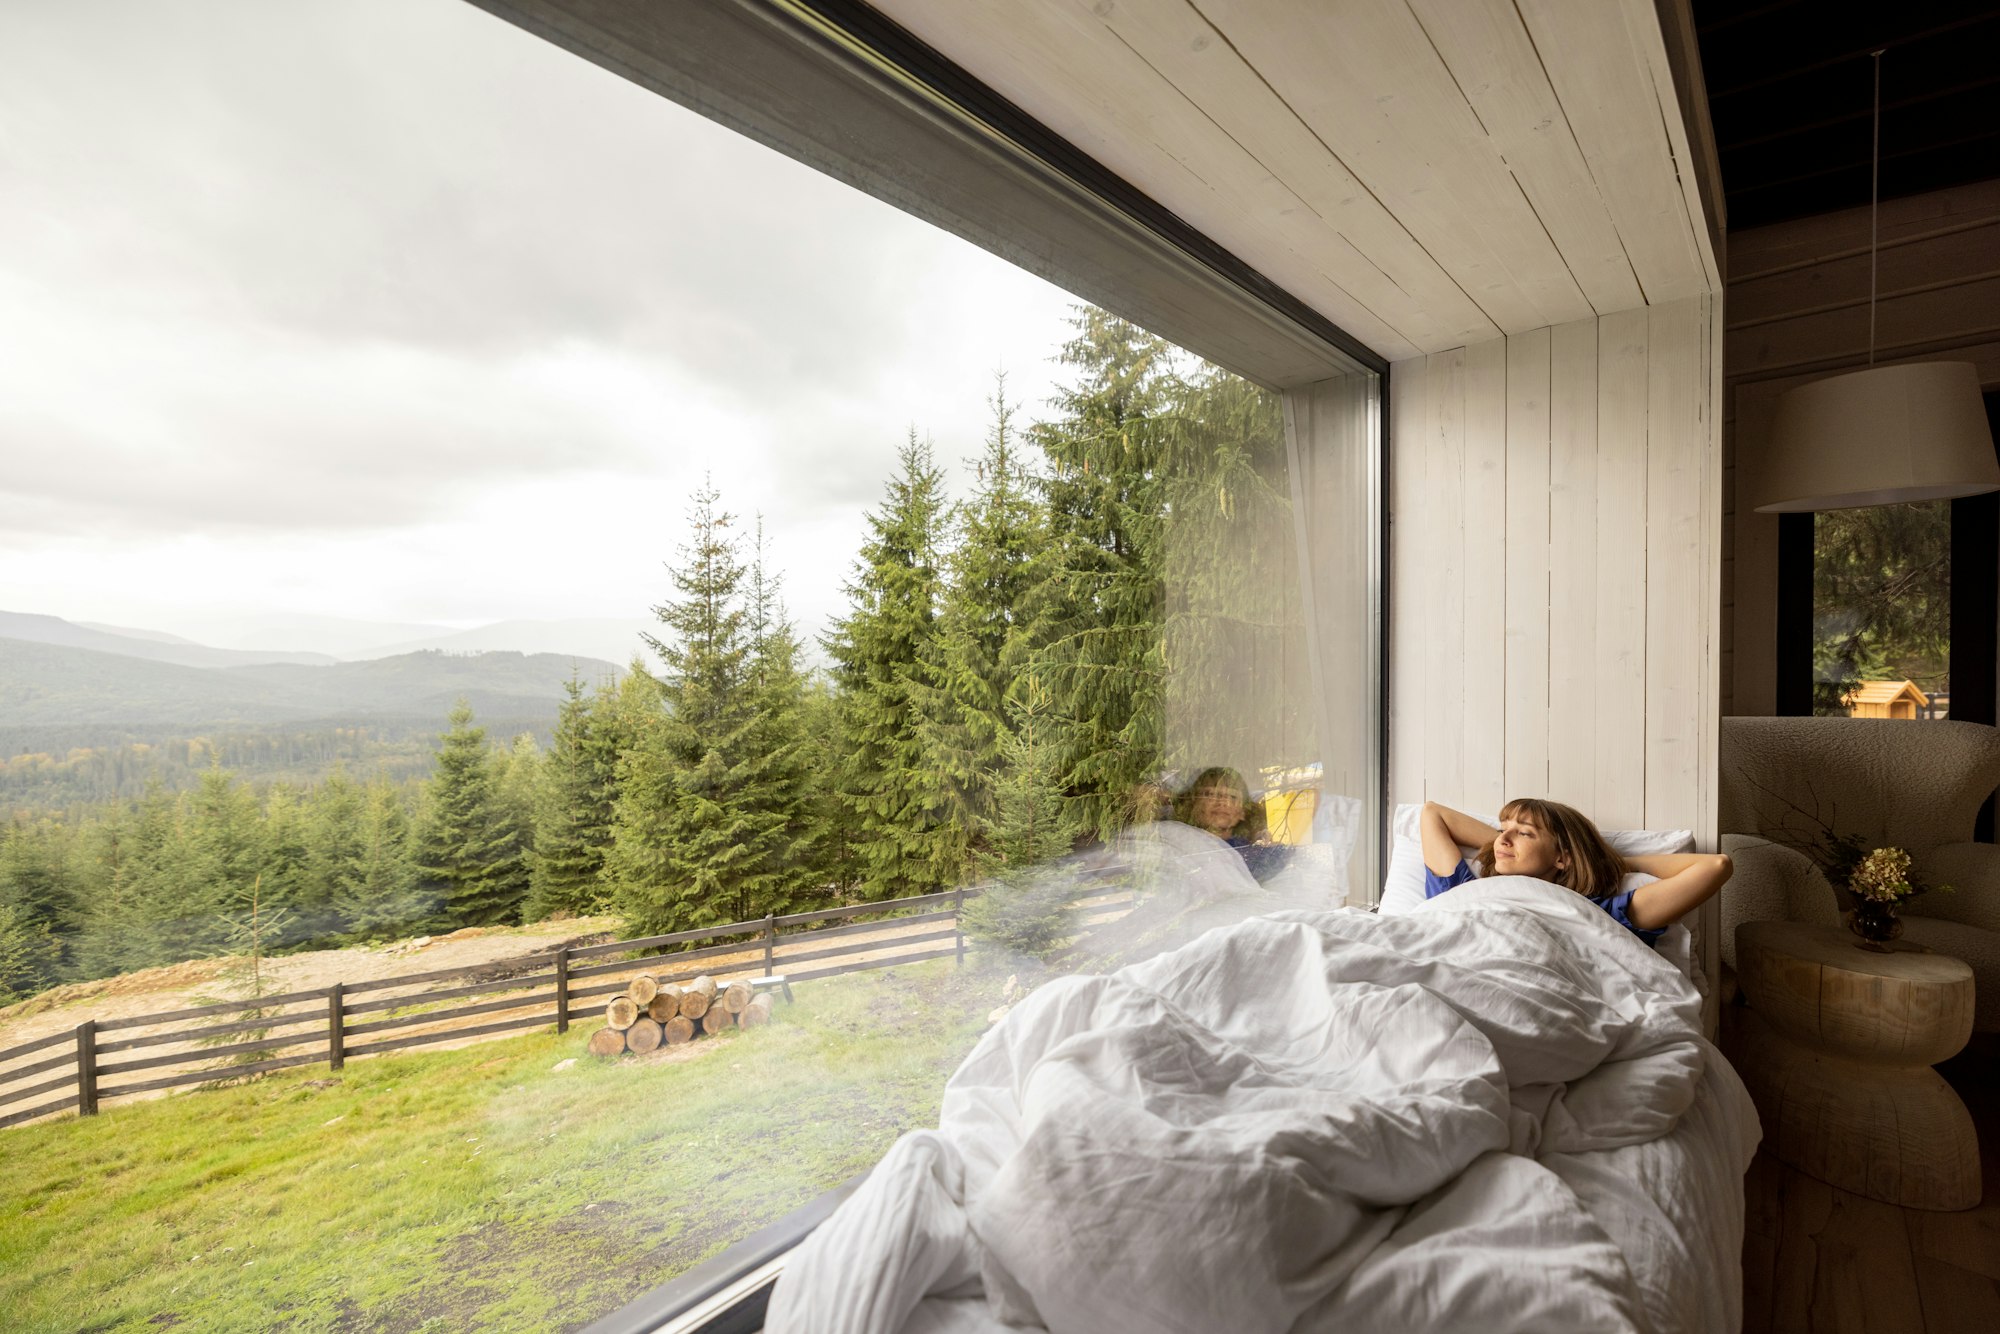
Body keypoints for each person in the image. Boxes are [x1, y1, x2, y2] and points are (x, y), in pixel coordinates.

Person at [1419, 798, 1731, 946]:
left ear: (1562, 859)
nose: (1504, 836)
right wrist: (1502, 846)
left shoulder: (1601, 915)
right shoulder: (1463, 889)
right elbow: (1433, 813)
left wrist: (1617, 862)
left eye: (1524, 833)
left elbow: (1716, 866)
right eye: (1503, 828)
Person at [1175, 766, 1289, 881]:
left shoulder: (1262, 855)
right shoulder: (1176, 848)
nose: (1223, 802)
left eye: (1233, 797)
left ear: (1242, 812)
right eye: (1211, 794)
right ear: (1194, 805)